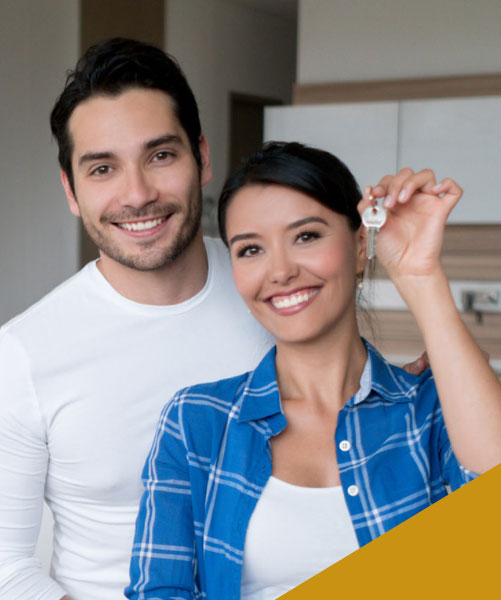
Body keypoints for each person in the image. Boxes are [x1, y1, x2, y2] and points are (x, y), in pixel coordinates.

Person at [0, 39, 427, 599]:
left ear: (201, 156)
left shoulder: (274, 285)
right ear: (71, 190)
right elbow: (7, 567)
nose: (138, 194)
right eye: (102, 168)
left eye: (160, 155)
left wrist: (410, 395)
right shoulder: (24, 353)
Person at [126, 142, 501, 600]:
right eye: (250, 250)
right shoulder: (196, 421)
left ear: (361, 244)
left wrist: (420, 276)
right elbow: (159, 592)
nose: (280, 271)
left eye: (306, 236)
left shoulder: (430, 408)